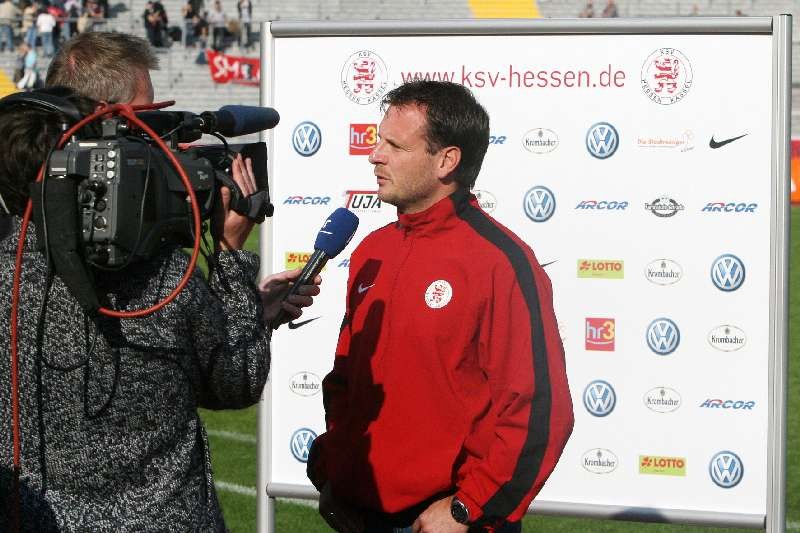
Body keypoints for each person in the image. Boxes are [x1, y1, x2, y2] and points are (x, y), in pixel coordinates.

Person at [0, 34, 320, 531]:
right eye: (145, 119)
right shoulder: (164, 278)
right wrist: (230, 255)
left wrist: (249, 311)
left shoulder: (9, 268)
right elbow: (234, 380)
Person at [307, 80, 574, 532]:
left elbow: (540, 412)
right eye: (378, 140)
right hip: (359, 511)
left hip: (447, 518)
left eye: (394, 145)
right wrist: (336, 471)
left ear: (446, 160)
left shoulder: (500, 262)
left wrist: (468, 507)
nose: (375, 155)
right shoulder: (372, 251)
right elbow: (346, 382)